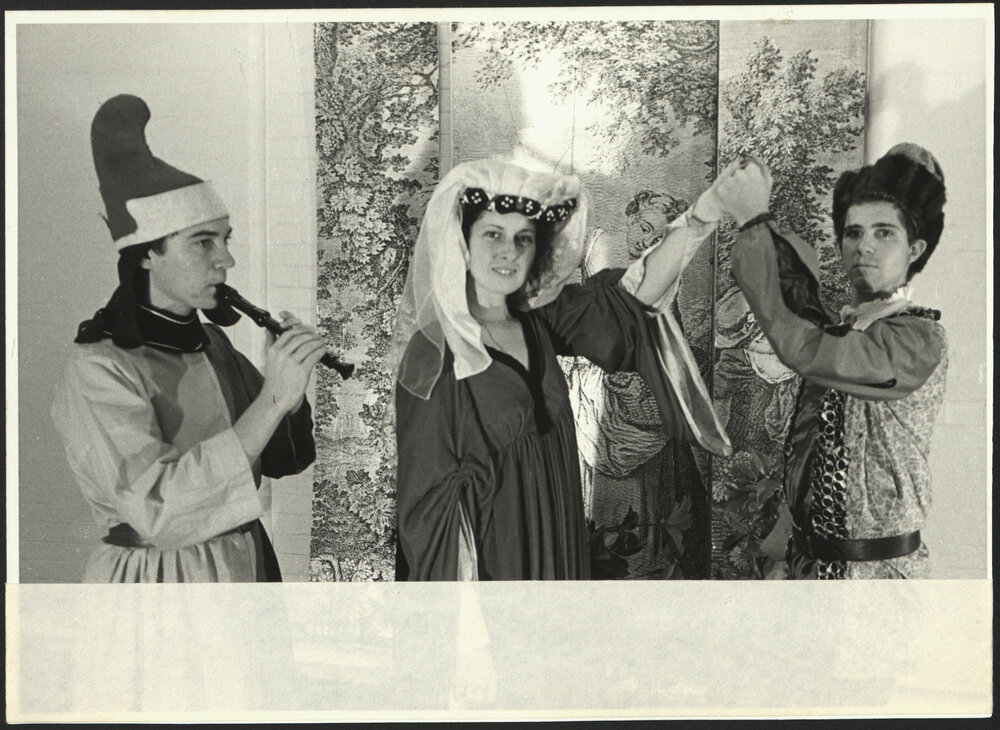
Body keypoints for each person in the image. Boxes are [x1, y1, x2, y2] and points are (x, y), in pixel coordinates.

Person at [390, 159, 731, 580]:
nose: (508, 252)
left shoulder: (540, 319)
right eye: (493, 234)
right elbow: (427, 511)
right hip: (492, 574)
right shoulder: (434, 354)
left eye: (523, 238)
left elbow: (636, 299)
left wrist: (706, 211)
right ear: (462, 242)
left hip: (559, 552)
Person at [51, 94, 327, 582]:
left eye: (226, 239)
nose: (226, 260)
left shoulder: (212, 345)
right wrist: (271, 400)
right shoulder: (98, 368)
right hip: (160, 583)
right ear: (145, 254)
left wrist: (291, 394)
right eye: (203, 242)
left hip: (247, 567)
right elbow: (157, 509)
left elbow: (284, 459)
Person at [713, 144, 948, 578]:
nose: (864, 247)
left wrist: (754, 222)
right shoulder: (847, 329)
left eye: (884, 233)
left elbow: (807, 345)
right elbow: (812, 445)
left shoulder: (917, 339)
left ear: (914, 250)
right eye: (854, 233)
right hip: (811, 569)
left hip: (877, 578)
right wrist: (784, 551)